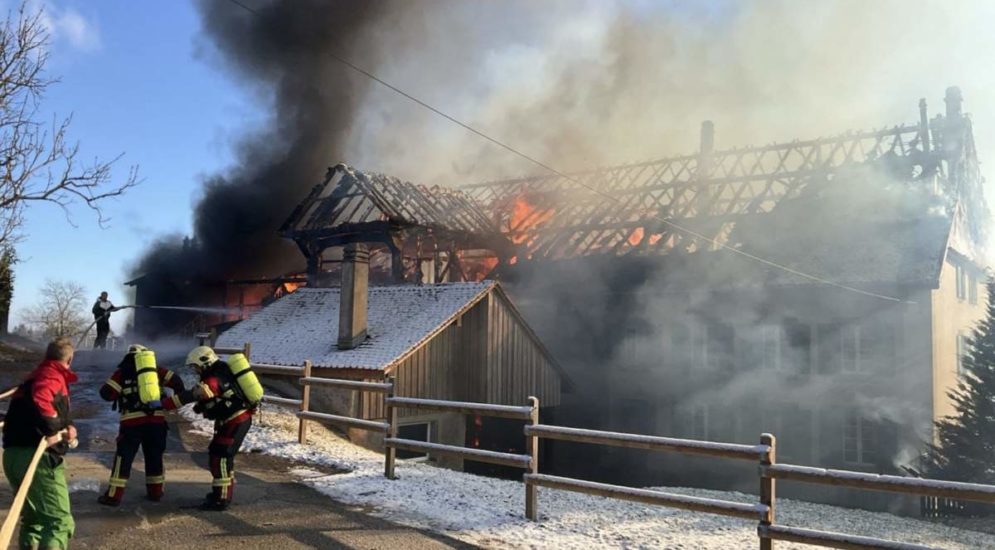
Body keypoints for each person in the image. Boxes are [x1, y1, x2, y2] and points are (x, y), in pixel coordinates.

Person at [2, 338, 78, 550]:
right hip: (38, 458)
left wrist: (67, 424)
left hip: (12, 455)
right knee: (58, 522)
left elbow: (41, 405)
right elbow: (43, 398)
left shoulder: (33, 377)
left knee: (34, 520)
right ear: (69, 359)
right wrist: (53, 429)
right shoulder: (52, 376)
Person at [163, 346, 255, 511]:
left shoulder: (214, 378)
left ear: (205, 362)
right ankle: (220, 493)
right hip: (232, 421)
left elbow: (195, 393)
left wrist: (166, 404)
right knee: (218, 454)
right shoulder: (221, 371)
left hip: (235, 422)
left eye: (196, 366)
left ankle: (221, 499)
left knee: (221, 457)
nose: (196, 370)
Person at [96, 344, 185, 506]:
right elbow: (177, 382)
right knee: (154, 457)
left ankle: (114, 496)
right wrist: (166, 401)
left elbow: (106, 393)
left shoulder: (122, 372)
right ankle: (155, 493)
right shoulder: (156, 371)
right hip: (156, 422)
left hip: (131, 423)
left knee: (124, 458)